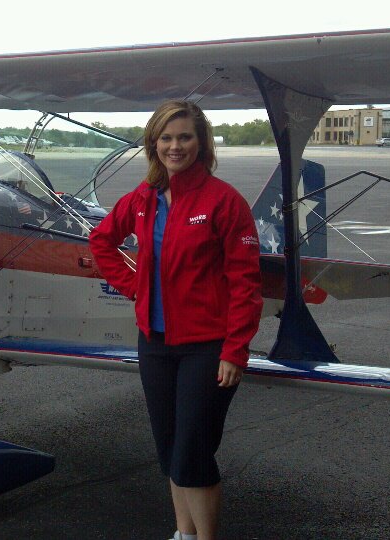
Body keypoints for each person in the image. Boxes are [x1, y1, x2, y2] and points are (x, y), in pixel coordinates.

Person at [88, 100, 262, 540]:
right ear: (154, 144)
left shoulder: (224, 201)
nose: (175, 146)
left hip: (207, 347)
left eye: (185, 136)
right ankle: (183, 533)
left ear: (201, 142)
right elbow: (102, 241)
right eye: (166, 138)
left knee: (192, 452)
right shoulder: (143, 198)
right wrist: (135, 288)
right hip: (156, 344)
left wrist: (235, 350)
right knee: (169, 450)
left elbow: (245, 282)